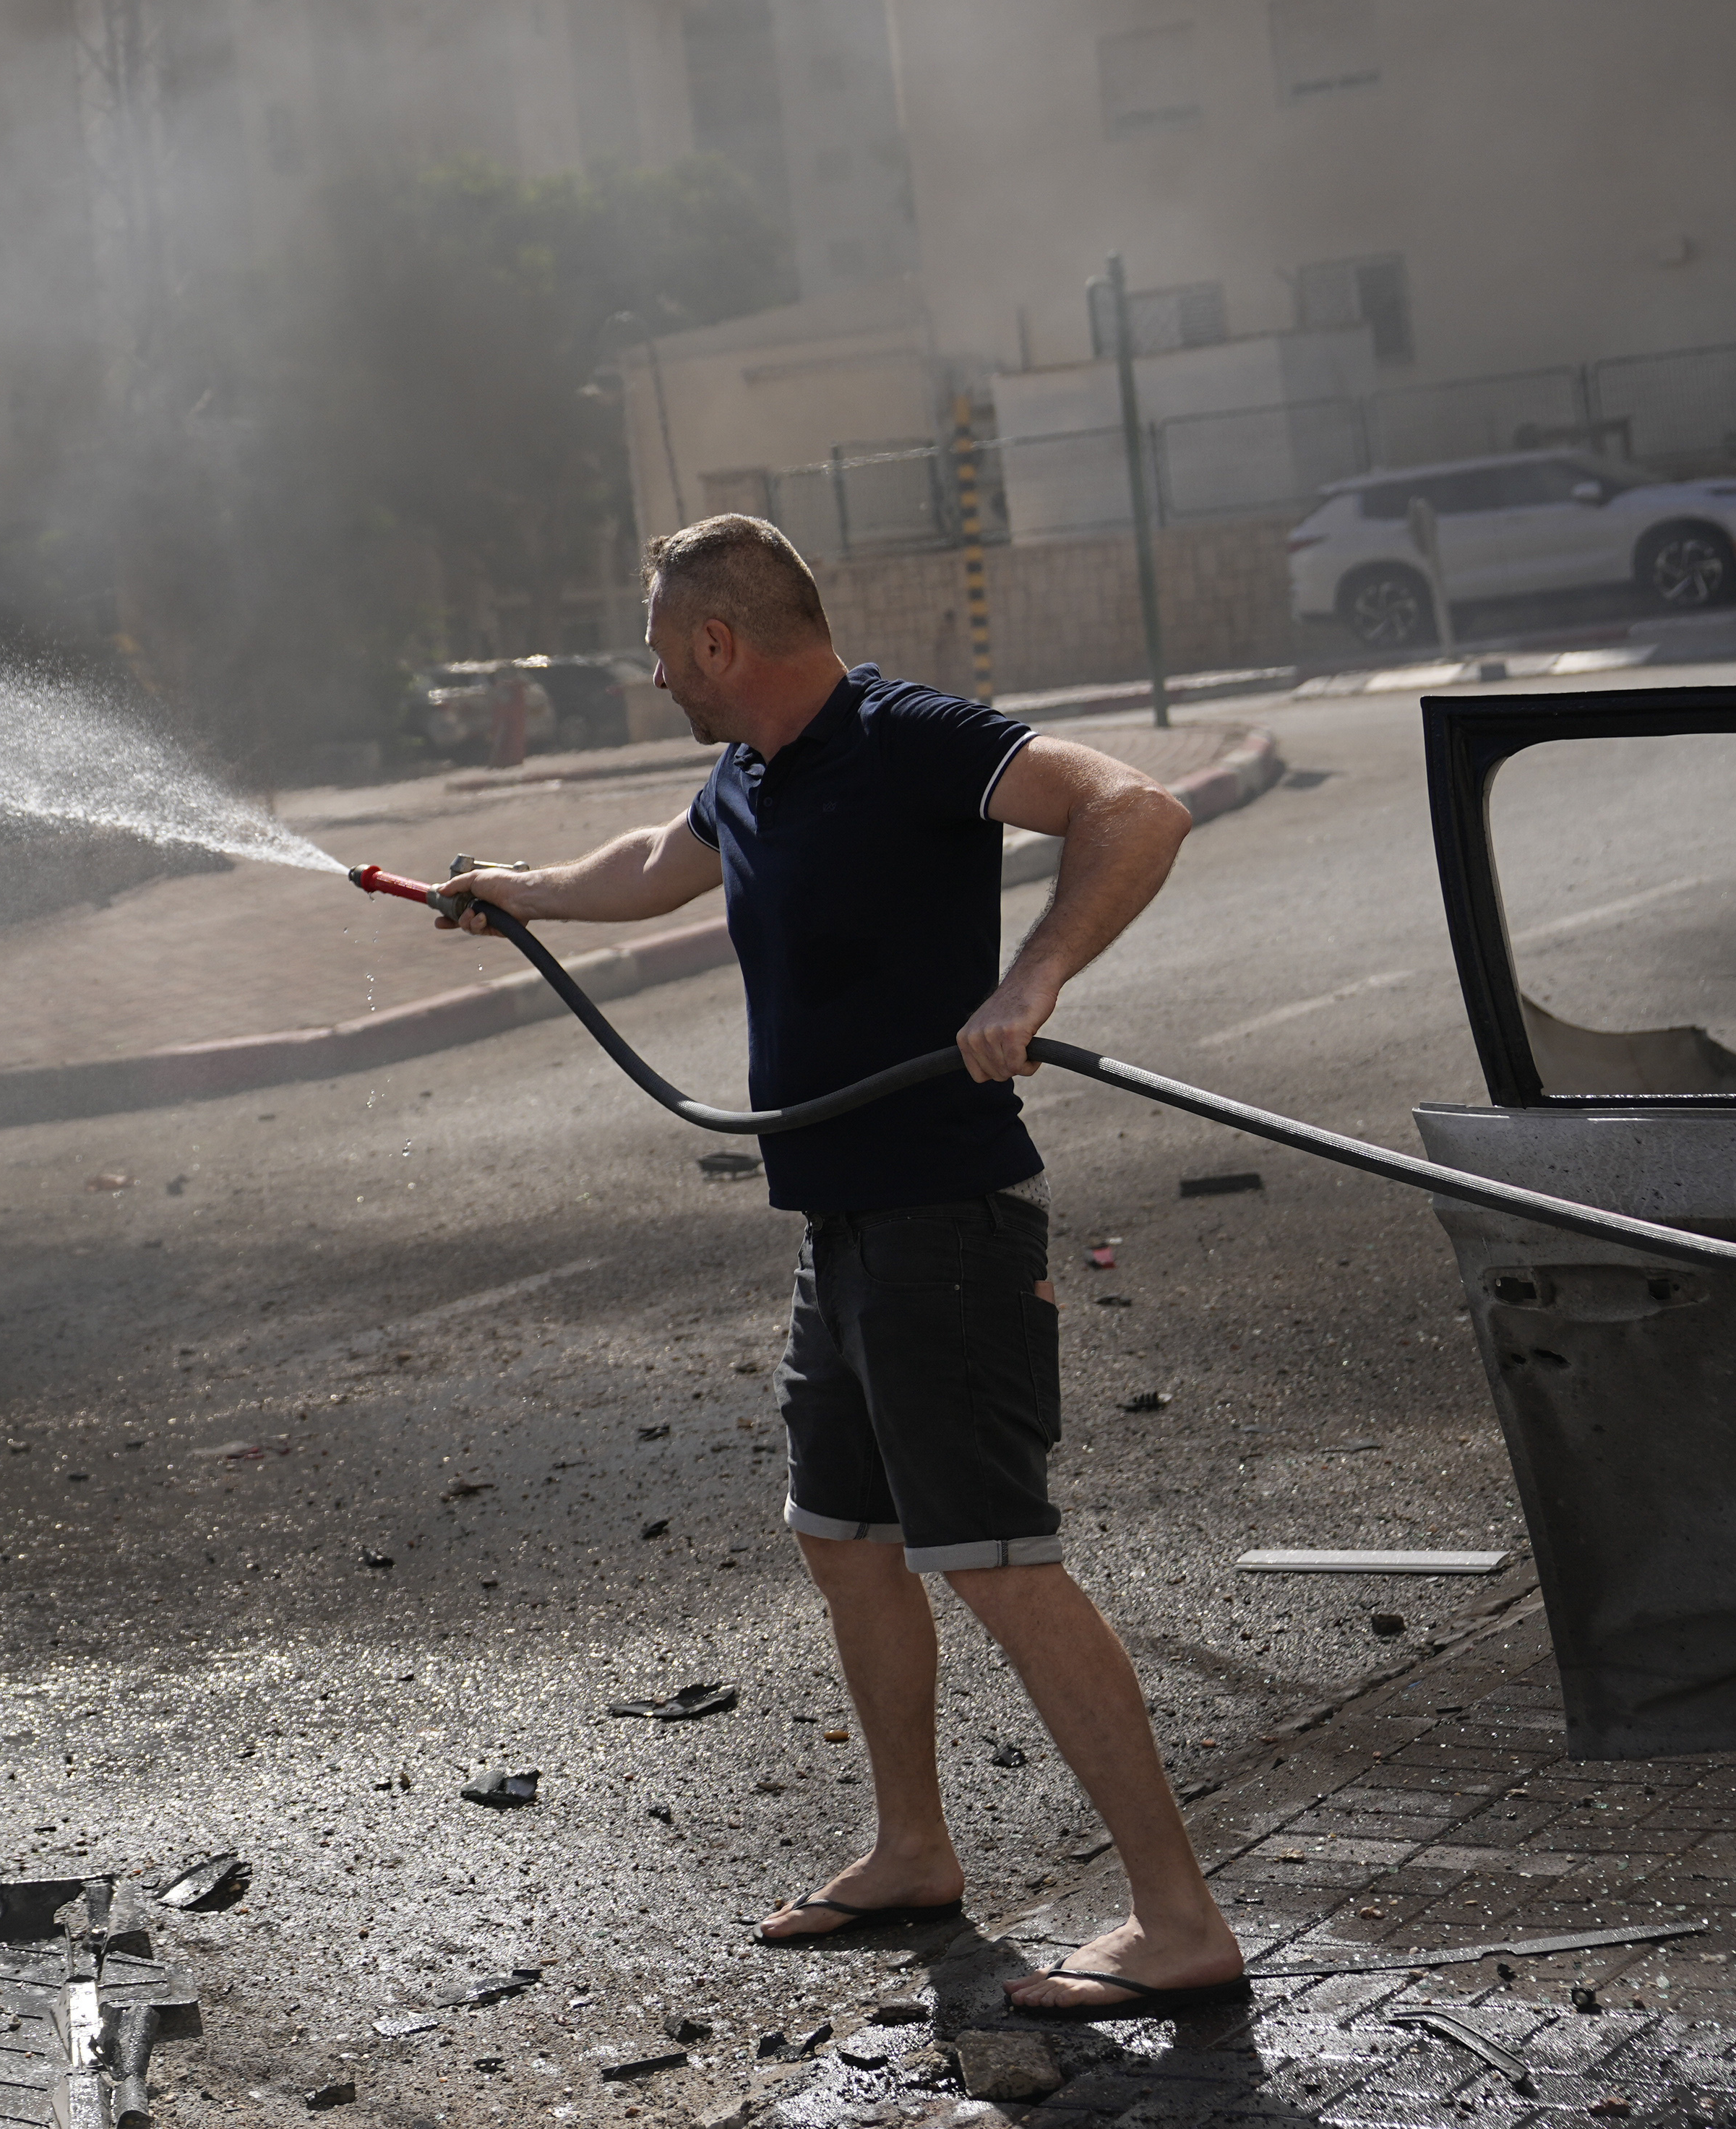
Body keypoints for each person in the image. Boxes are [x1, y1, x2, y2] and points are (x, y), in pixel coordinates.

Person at [437, 513, 1244, 2019]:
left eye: (664, 655)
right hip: (843, 1230)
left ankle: (1178, 1918)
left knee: (1001, 1568)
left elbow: (1136, 808)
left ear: (719, 644)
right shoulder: (751, 776)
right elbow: (654, 863)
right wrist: (522, 891)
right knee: (846, 1538)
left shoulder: (909, 736)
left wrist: (1033, 975)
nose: (659, 678)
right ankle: (914, 1850)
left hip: (950, 1221)